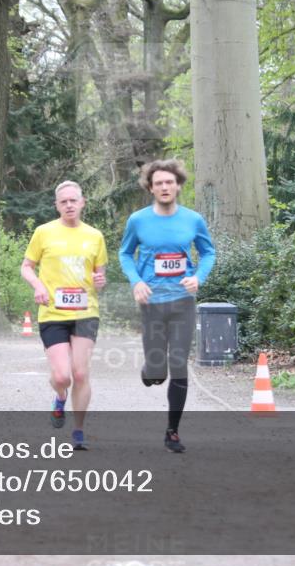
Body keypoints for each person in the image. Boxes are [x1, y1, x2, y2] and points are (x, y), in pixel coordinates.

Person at [119, 159, 215, 453]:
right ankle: (151, 370)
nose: (164, 187)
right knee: (158, 372)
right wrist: (136, 281)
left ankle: (172, 432)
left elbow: (208, 252)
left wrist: (198, 277)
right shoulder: (138, 220)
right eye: (158, 183)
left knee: (179, 365)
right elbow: (125, 254)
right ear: (150, 187)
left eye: (169, 182)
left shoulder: (193, 220)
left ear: (178, 185)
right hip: (152, 303)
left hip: (183, 301)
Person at [21, 181, 107, 450]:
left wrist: (100, 279)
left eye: (73, 200)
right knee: (62, 377)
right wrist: (37, 286)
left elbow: (99, 275)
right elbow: (26, 267)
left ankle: (78, 431)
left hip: (85, 312)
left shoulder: (95, 236)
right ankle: (60, 398)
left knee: (80, 374)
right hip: (52, 312)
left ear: (82, 202)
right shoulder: (43, 232)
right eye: (63, 201)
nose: (69, 205)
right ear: (57, 206)